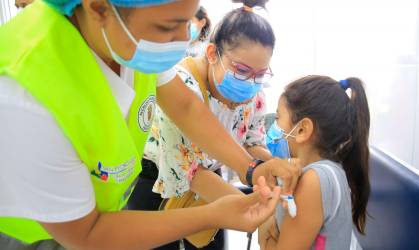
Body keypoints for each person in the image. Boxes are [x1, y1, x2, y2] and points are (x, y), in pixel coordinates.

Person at [0, 0, 300, 249]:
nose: (183, 40)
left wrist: (251, 168)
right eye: (168, 27)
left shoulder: (127, 39)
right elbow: (88, 234)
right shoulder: (24, 95)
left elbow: (186, 107)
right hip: (40, 235)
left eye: (189, 21)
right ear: (99, 8)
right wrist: (212, 215)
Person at [128, 0, 277, 248]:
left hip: (212, 183)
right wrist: (260, 211)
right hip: (160, 184)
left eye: (260, 74)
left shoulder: (253, 94)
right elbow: (189, 173)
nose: (251, 82)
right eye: (241, 70)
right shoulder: (180, 87)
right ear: (211, 54)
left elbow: (251, 143)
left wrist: (269, 168)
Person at [259, 76, 371, 249]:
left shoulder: (313, 181)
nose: (273, 126)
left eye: (278, 117)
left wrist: (264, 231)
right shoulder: (328, 170)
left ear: (303, 129)